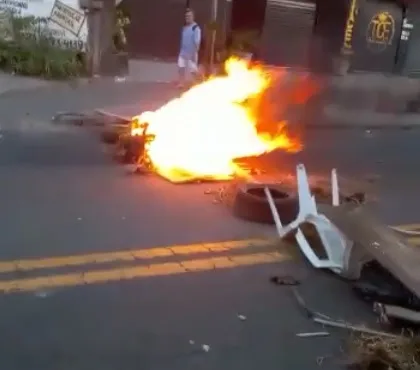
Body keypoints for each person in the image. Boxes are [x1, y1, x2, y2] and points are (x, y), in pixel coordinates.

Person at [178, 9, 201, 87]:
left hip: (192, 53)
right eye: (186, 16)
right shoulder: (184, 27)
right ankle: (181, 83)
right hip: (183, 52)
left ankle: (197, 84)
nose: (187, 17)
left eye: (189, 16)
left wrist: (194, 54)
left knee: (193, 70)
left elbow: (197, 42)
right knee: (181, 68)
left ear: (193, 17)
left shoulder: (195, 28)